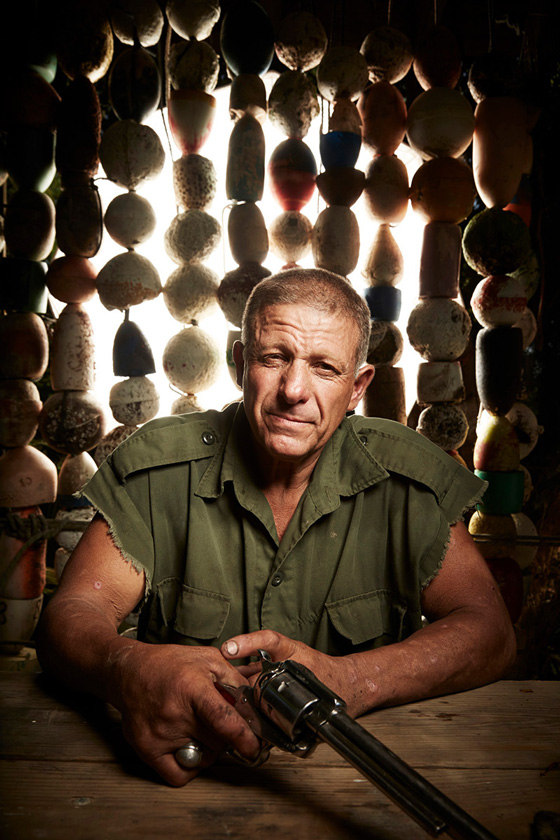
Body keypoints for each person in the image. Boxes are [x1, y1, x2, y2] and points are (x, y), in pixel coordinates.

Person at [37, 267, 516, 788]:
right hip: (182, 783)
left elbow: (489, 631)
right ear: (240, 362)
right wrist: (126, 669)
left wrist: (351, 679)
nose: (294, 390)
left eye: (325, 368)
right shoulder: (158, 470)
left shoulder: (407, 481)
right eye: (273, 358)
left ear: (357, 387)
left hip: (359, 781)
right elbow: (72, 615)